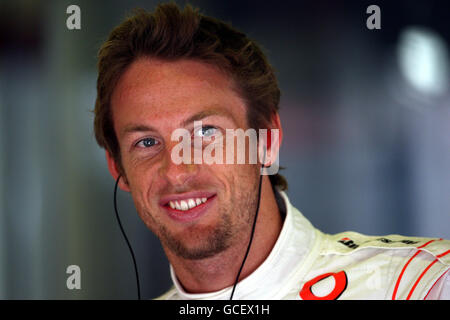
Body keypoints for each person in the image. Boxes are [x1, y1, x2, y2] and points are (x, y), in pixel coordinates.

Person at [93, 3, 449, 300]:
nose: (177, 171)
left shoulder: (420, 282)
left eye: (205, 132)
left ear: (266, 141)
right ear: (118, 168)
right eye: (147, 143)